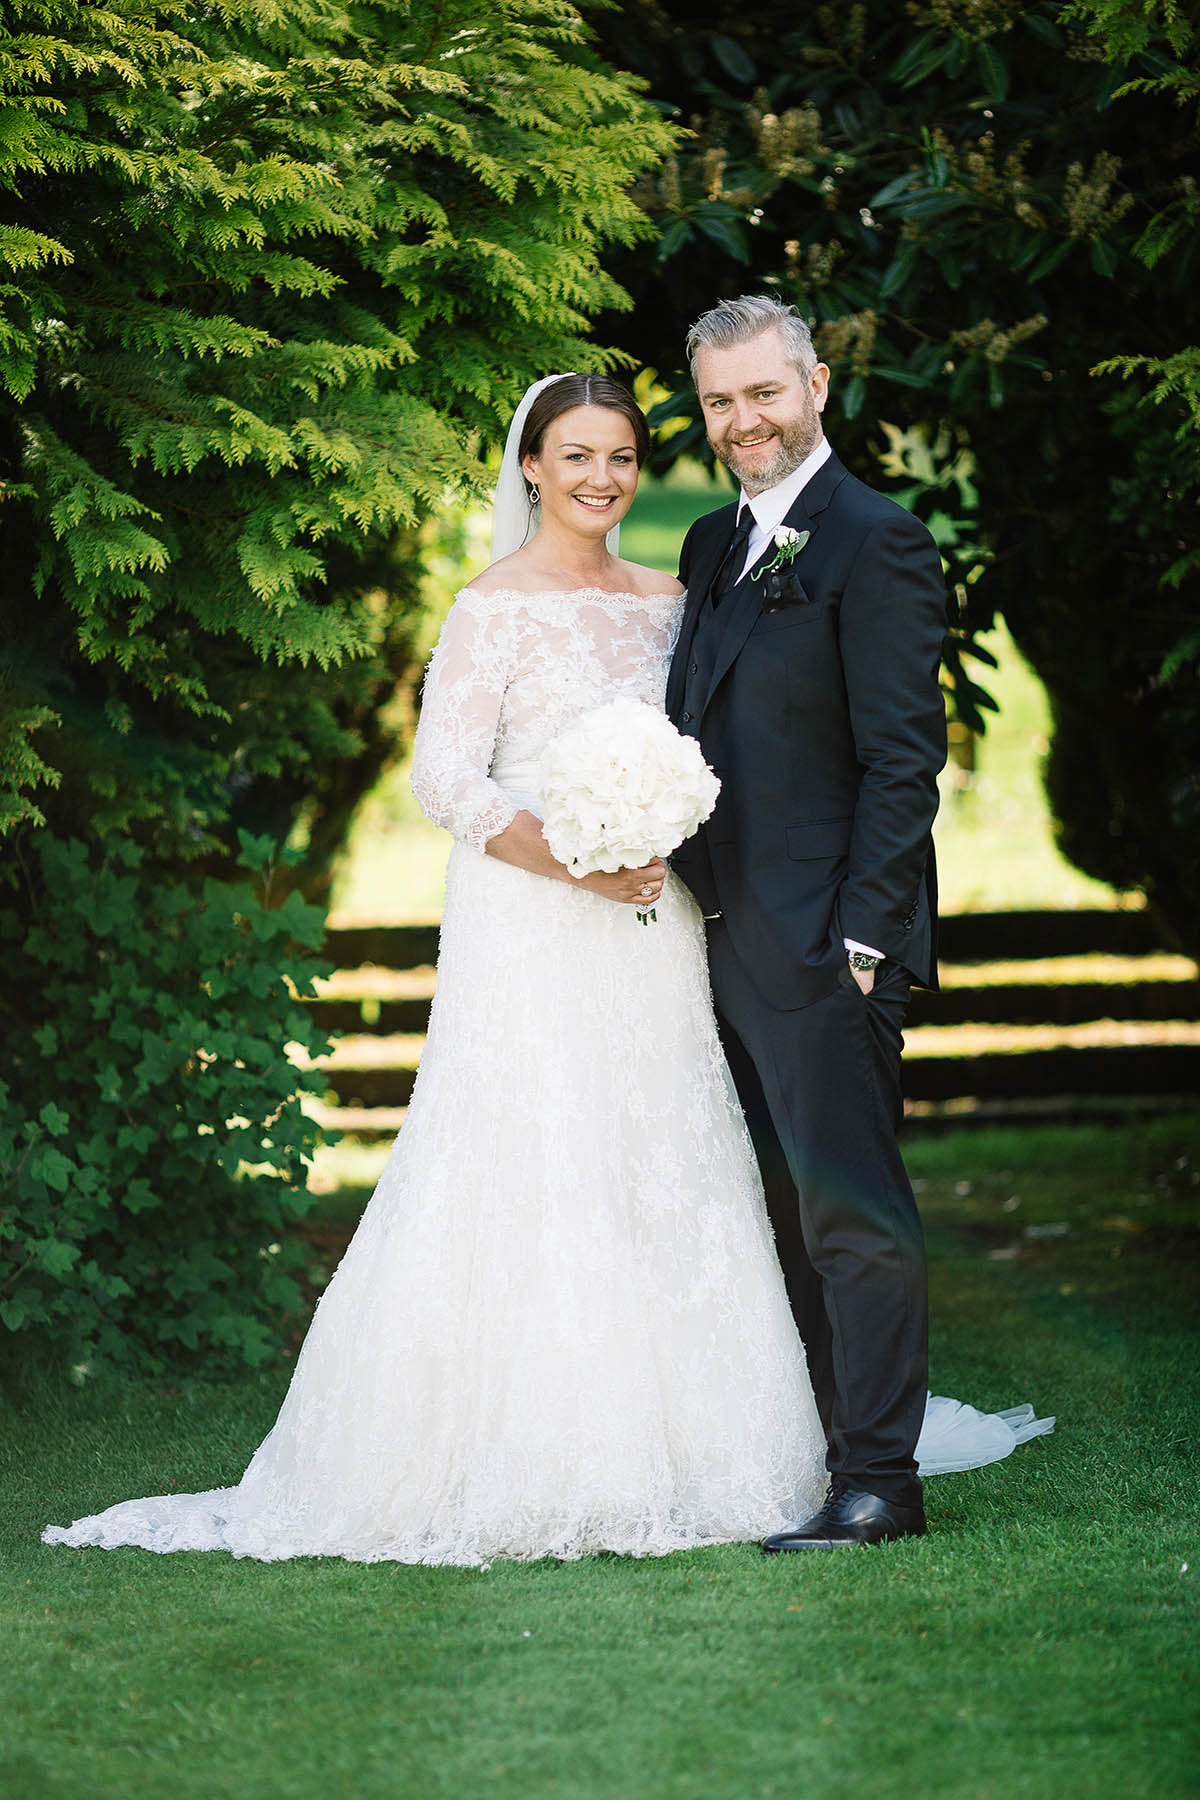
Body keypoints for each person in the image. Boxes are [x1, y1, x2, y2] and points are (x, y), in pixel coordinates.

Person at [43, 372, 1049, 1566]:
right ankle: (520, 1445)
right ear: (530, 466)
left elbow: (730, 743)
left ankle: (756, 1447)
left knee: (670, 1162)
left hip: (663, 933)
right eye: (575, 457)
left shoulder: (680, 591)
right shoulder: (492, 607)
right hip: (532, 929)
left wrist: (660, 830)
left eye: (621, 457)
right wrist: (575, 857)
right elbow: (445, 781)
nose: (601, 479)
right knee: (531, 1162)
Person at [669, 293, 959, 1549]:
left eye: (764, 393)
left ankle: (880, 1480)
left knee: (851, 1215)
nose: (744, 421)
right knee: (773, 1214)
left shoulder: (874, 541)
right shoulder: (708, 547)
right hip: (716, 939)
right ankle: (818, 1446)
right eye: (722, 401)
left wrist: (862, 939)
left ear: (817, 385)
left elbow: (906, 760)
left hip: (828, 944)